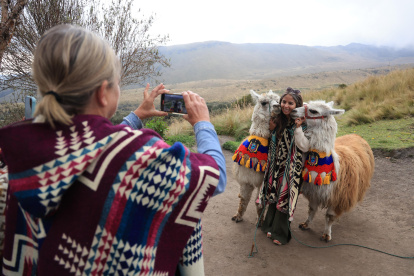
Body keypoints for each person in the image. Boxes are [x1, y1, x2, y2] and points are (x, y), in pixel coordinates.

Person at [0, 24, 226, 275]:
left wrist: (137, 115)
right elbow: (214, 177)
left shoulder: (23, 152)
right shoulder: (138, 156)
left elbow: (92, 144)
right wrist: (202, 122)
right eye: (117, 84)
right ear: (102, 93)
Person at [258, 87, 308, 245]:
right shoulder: (278, 119)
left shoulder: (301, 123)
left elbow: (304, 146)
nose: (286, 105)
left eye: (291, 103)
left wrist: (299, 129)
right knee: (274, 194)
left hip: (291, 169)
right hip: (277, 166)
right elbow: (275, 141)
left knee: (285, 198)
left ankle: (280, 234)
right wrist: (272, 130)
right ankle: (269, 227)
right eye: (284, 102)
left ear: (297, 105)